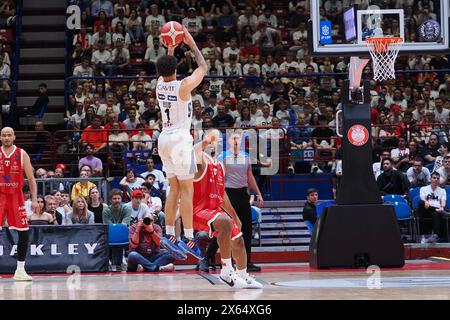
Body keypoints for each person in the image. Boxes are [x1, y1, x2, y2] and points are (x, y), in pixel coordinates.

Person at [155, 26, 207, 260]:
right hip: (180, 139)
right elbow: (203, 68)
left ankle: (168, 234)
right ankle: (187, 237)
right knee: (188, 189)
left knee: (173, 189)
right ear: (176, 68)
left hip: (163, 139)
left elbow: (167, 62)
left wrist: (172, 44)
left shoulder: (159, 83)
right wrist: (192, 44)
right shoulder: (183, 86)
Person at [220, 132, 264, 272]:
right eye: (233, 138)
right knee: (227, 228)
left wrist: (258, 193)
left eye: (238, 138)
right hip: (229, 194)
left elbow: (250, 177)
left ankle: (247, 261)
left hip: (243, 193)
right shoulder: (223, 157)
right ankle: (208, 259)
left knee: (247, 229)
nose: (236, 140)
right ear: (228, 141)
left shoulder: (245, 157)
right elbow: (219, 178)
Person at [0, 127, 39, 281]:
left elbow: (31, 179)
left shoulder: (22, 154)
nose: (7, 138)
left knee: (23, 232)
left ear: (14, 137)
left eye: (9, 135)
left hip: (16, 196)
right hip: (0, 196)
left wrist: (34, 199)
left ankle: (20, 270)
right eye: (4, 135)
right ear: (0, 137)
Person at [103, 189, 132, 271]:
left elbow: (124, 225)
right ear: (110, 200)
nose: (117, 201)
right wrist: (117, 227)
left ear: (121, 199)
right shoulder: (106, 211)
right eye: (114, 199)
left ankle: (122, 258)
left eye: (118, 198)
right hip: (111, 234)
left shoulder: (126, 209)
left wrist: (117, 227)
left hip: (123, 233)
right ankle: (109, 260)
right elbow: (109, 227)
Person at [418, 171, 447, 243]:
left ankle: (435, 236)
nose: (436, 179)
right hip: (426, 209)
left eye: (437, 178)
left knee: (435, 213)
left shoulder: (442, 191)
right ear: (430, 179)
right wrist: (426, 201)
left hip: (437, 211)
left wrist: (442, 208)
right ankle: (424, 236)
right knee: (421, 203)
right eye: (434, 178)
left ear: (439, 180)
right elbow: (422, 198)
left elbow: (443, 202)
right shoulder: (423, 189)